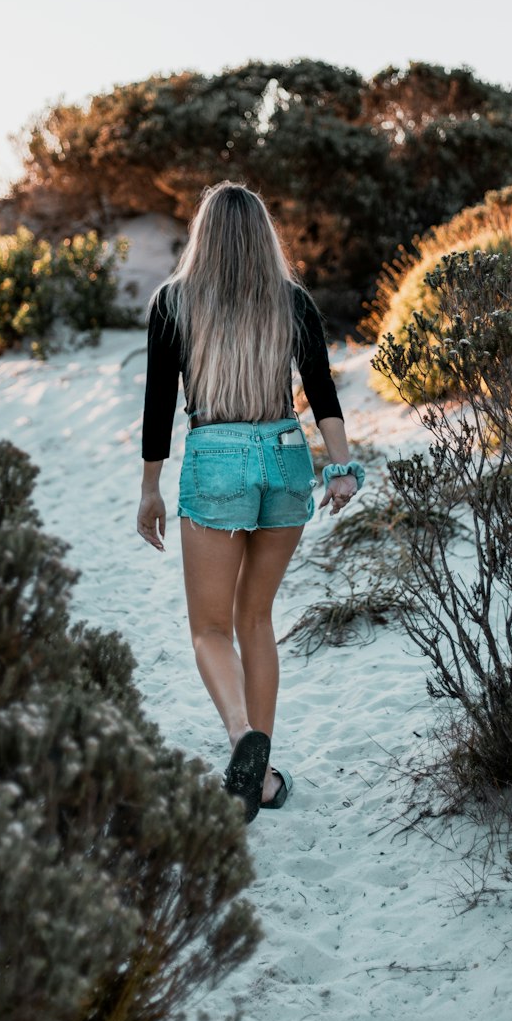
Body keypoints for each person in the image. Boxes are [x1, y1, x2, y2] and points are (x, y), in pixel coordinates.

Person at [136, 181, 366, 824]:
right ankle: (262, 778)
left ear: (203, 234)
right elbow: (322, 393)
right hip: (286, 458)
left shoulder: (173, 303)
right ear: (264, 235)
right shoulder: (290, 300)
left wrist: (151, 489)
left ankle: (242, 739)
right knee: (255, 618)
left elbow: (158, 407)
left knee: (210, 628)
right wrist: (341, 470)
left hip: (216, 458)